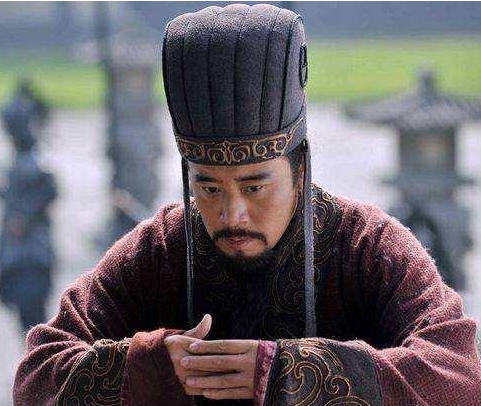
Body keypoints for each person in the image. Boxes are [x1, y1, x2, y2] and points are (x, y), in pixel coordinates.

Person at [13, 4, 481, 406]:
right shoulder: (161, 249)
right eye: (209, 188)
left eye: (254, 187)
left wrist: (296, 372)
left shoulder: (367, 245)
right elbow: (35, 376)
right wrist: (147, 367)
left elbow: (459, 372)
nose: (231, 214)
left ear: (300, 169)